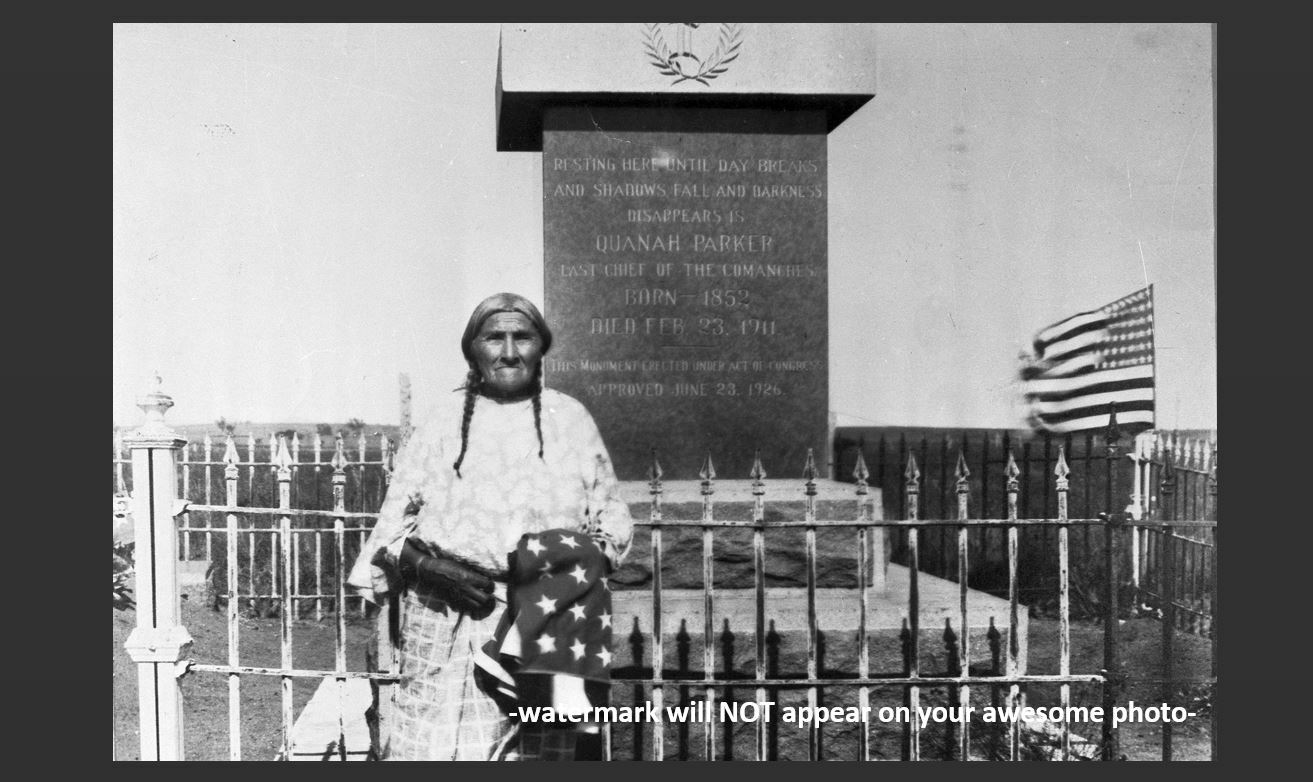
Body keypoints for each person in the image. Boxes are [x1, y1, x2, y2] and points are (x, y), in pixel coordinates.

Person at [348, 292, 633, 761]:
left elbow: (612, 525)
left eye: (522, 337)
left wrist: (560, 575)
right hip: (446, 615)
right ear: (472, 350)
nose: (508, 351)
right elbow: (391, 532)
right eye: (493, 338)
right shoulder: (443, 421)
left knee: (540, 755)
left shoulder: (571, 420)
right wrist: (429, 567)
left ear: (541, 347)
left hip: (547, 622)